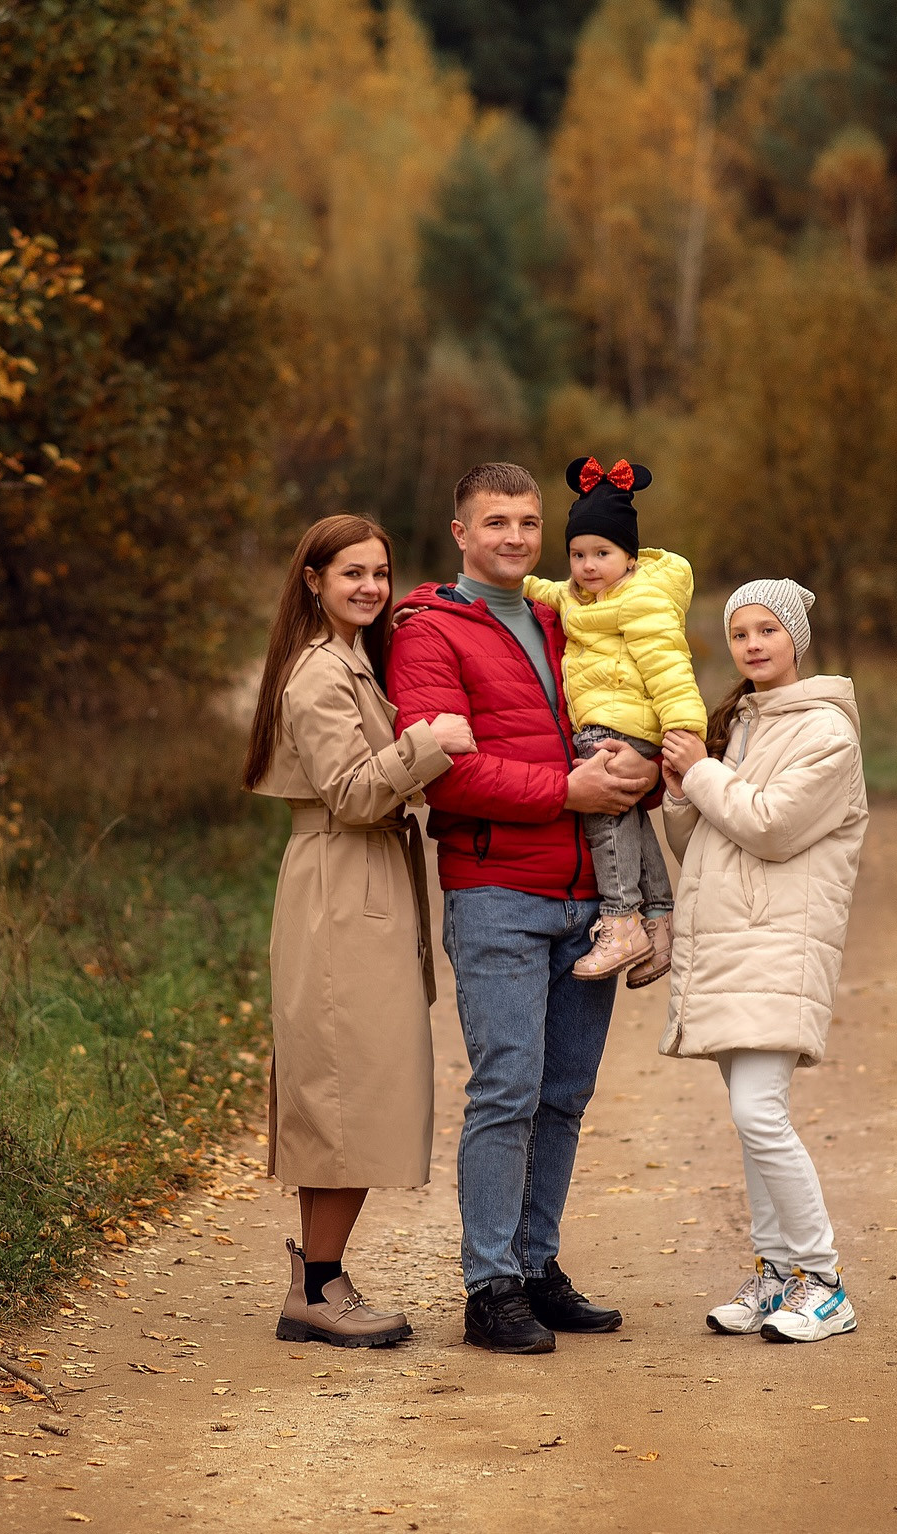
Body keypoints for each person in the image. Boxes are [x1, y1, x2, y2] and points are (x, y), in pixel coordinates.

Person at [386, 462, 659, 1354]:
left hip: (590, 897)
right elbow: (446, 767)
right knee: (507, 1087)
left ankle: (538, 1269)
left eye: (528, 522)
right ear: (460, 532)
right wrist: (566, 791)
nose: (515, 537)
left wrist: (644, 767)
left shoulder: (564, 612)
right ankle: (490, 1285)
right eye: (495, 522)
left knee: (566, 1095)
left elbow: (623, 709)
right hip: (496, 889)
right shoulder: (427, 632)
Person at [243, 514, 478, 1348]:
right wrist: (431, 744)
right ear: (313, 580)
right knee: (345, 1095)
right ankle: (316, 1286)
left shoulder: (352, 665)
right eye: (353, 574)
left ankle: (319, 1278)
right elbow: (350, 792)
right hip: (340, 883)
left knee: (355, 1093)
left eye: (381, 573)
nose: (371, 588)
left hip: (364, 876)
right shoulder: (317, 675)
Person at [657, 578, 870, 1344]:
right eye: (739, 632)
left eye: (766, 631)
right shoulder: (741, 725)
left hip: (779, 945)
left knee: (759, 1112)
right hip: (731, 946)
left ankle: (824, 1281)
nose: (752, 645)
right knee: (753, 1123)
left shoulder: (824, 734)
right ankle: (778, 1276)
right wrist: (683, 793)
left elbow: (773, 826)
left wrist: (705, 774)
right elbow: (705, 845)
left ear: (796, 640)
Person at [521, 455, 705, 987]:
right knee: (628, 816)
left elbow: (670, 667)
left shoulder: (640, 600)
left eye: (602, 553)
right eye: (578, 554)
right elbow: (540, 590)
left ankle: (621, 917)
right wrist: (460, 595)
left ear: (629, 557)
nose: (587, 565)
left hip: (619, 726)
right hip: (610, 722)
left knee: (602, 815)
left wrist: (683, 733)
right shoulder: (580, 596)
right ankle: (661, 919)